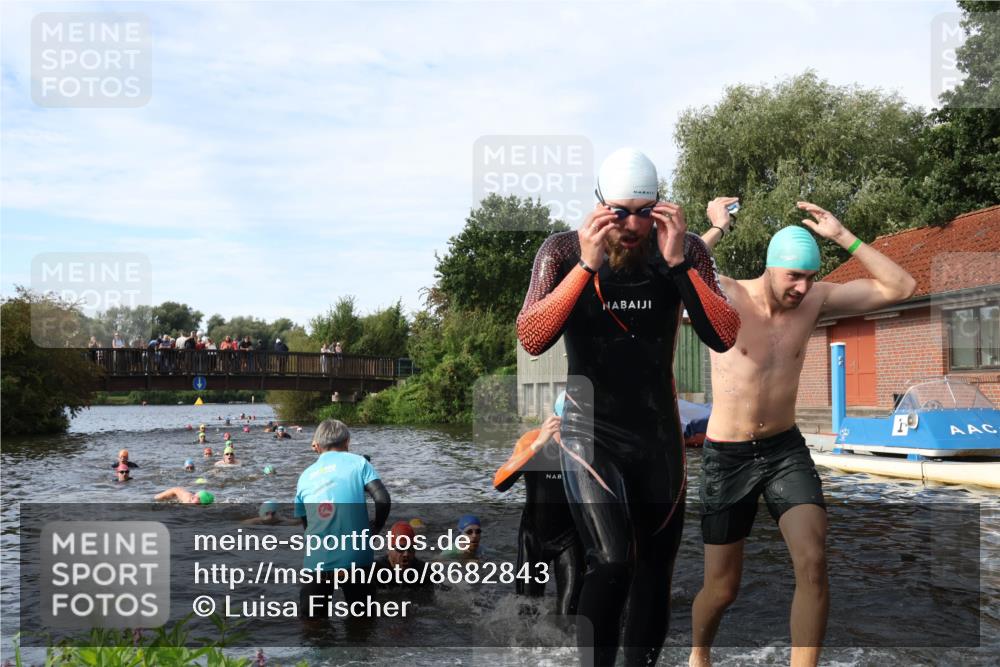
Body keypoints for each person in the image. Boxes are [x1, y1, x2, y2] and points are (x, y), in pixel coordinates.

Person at [516, 147, 741, 666]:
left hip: (658, 438)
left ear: (660, 205)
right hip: (587, 430)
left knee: (654, 574)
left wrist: (681, 263)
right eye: (620, 212)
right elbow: (532, 336)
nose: (634, 225)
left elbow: (725, 335)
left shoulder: (683, 250)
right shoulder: (562, 250)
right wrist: (586, 268)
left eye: (645, 210)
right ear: (599, 206)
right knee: (614, 560)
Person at [688, 200, 917, 667]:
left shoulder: (817, 299)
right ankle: (698, 655)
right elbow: (671, 274)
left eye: (810, 276)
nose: (802, 287)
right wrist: (716, 229)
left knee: (813, 563)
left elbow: (903, 286)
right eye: (793, 276)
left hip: (783, 450)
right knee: (722, 588)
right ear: (771, 269)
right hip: (726, 456)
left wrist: (843, 236)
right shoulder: (726, 295)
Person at [295, 419, 391, 620]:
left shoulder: (305, 475)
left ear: (317, 446)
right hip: (356, 556)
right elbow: (382, 499)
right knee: (362, 622)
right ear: (347, 441)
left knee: (313, 625)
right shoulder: (359, 463)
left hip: (318, 559)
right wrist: (375, 528)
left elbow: (306, 522)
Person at [494, 407, 584, 616]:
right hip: (533, 538)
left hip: (570, 539)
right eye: (565, 425)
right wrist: (538, 444)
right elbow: (500, 483)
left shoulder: (586, 448)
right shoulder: (532, 440)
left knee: (570, 613)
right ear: (554, 421)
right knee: (526, 610)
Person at [370, 521, 431, 588]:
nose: (406, 554)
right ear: (389, 549)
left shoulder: (424, 572)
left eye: (411, 549)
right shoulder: (375, 570)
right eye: (400, 548)